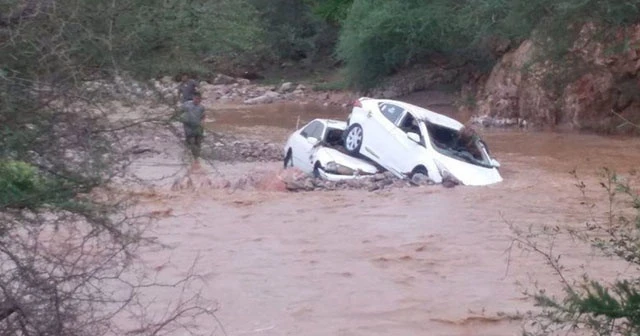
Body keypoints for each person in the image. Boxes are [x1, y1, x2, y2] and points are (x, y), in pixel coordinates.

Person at [180, 92, 205, 160]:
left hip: (198, 127)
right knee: (191, 142)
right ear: (193, 98)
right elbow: (180, 112)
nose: (197, 100)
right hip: (188, 127)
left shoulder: (201, 107)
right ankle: (190, 157)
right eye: (196, 98)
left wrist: (202, 125)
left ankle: (197, 157)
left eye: (199, 99)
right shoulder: (186, 105)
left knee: (198, 143)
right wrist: (183, 119)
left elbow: (203, 117)